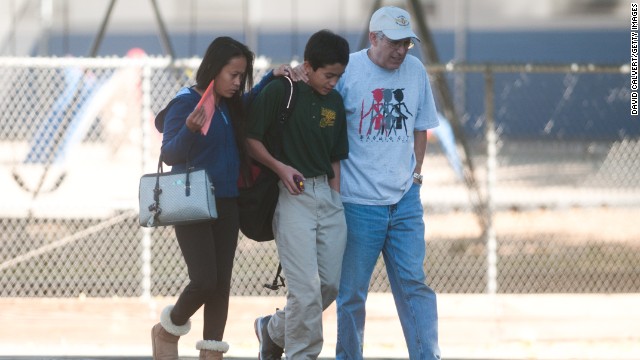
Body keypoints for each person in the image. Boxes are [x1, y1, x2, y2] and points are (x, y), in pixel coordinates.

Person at [151, 36, 302, 360]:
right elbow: (168, 153)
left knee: (221, 285)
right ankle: (167, 329)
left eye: (241, 76)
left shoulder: (229, 105)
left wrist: (269, 77)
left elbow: (248, 101)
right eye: (232, 75)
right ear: (213, 70)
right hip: (190, 199)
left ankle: (212, 353)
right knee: (205, 280)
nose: (237, 82)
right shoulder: (185, 102)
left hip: (227, 201)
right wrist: (190, 129)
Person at [334, 6, 442, 360]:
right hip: (358, 203)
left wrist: (416, 177)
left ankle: (427, 355)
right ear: (374, 38)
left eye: (407, 44)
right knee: (351, 294)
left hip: (405, 200)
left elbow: (420, 127)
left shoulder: (415, 71)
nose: (401, 50)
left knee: (415, 286)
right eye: (394, 43)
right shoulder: (347, 71)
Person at [246, 29, 350, 360]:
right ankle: (302, 354)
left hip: (328, 197)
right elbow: (250, 139)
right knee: (304, 292)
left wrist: (336, 197)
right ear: (308, 66)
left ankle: (272, 330)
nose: (333, 82)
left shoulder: (335, 100)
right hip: (293, 195)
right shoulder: (282, 90)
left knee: (329, 285)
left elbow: (335, 155)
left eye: (339, 76)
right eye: (328, 74)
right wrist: (280, 168)